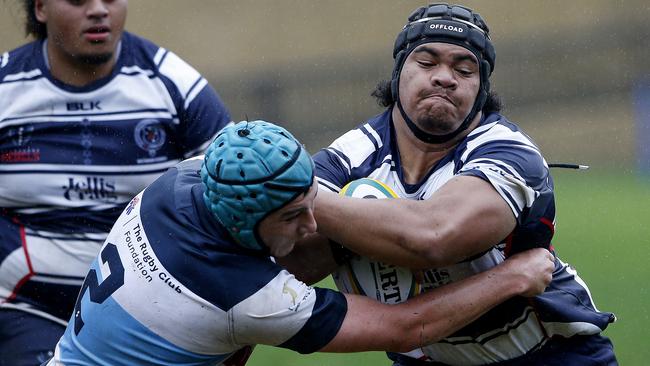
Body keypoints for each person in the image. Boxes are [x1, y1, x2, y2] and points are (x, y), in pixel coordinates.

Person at [45, 120, 554, 365]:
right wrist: (513, 275)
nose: (313, 226)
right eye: (293, 217)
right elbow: (405, 328)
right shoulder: (244, 297)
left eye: (312, 205)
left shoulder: (175, 187)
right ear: (248, 222)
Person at [309, 3, 618, 365]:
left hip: (549, 355)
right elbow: (290, 258)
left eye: (465, 68)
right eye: (426, 62)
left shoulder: (509, 151)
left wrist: (295, 194)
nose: (444, 77)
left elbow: (436, 236)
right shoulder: (351, 154)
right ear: (398, 73)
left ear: (481, 89)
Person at [0, 0, 230, 364]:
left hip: (147, 313)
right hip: (27, 307)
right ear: (41, 8)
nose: (98, 10)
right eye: (78, 0)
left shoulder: (173, 84)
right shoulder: (5, 87)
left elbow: (233, 188)